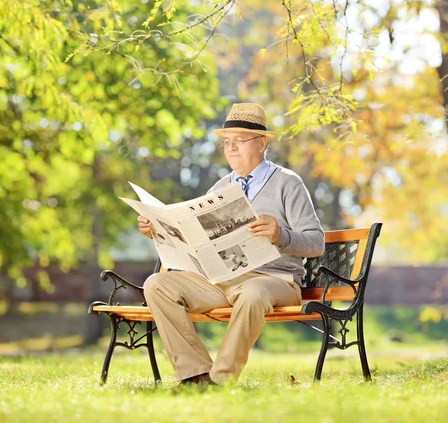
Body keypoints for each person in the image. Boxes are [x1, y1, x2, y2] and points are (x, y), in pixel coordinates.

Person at [137, 103, 324, 386]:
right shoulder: (220, 188)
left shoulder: (288, 183)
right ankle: (194, 375)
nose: (231, 148)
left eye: (239, 141)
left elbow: (316, 243)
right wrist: (159, 231)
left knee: (251, 293)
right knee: (157, 285)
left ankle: (221, 380)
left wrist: (280, 235)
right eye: (227, 142)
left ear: (262, 143)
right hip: (222, 280)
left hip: (275, 281)